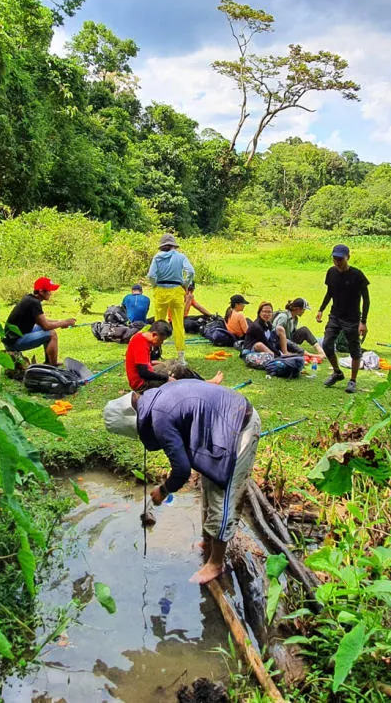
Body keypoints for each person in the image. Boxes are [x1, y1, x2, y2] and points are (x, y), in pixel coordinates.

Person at [102, 379, 261, 584]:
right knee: (209, 485)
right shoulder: (156, 399)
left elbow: (183, 471)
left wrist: (164, 490)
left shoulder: (160, 418)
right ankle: (208, 543)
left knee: (222, 494)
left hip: (238, 426)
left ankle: (216, 564)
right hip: (220, 426)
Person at [316, 244, 370, 393]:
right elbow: (330, 293)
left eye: (340, 259)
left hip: (352, 318)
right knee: (327, 344)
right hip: (335, 315)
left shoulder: (357, 275)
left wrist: (363, 322)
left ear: (348, 258)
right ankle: (337, 372)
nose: (337, 262)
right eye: (335, 258)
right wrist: (321, 309)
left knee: (354, 350)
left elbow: (366, 300)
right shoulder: (331, 272)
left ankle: (352, 380)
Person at [126, 321, 223, 392]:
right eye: (161, 340)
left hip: (146, 373)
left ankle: (204, 382)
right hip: (142, 384)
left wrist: (152, 363)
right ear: (154, 334)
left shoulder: (141, 337)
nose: (162, 343)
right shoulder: (140, 344)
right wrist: (166, 378)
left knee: (173, 362)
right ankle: (206, 384)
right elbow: (143, 373)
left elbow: (139, 363)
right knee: (177, 370)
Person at [4, 276, 77, 366]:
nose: (51, 293)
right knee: (52, 334)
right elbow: (46, 326)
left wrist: (61, 322)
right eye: (49, 291)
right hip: (13, 343)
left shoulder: (30, 299)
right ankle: (52, 365)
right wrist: (65, 322)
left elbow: (42, 322)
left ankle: (48, 362)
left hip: (14, 337)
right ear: (41, 291)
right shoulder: (34, 303)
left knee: (47, 330)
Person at [147, 233, 195, 359]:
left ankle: (155, 352)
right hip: (176, 291)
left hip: (161, 290)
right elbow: (191, 271)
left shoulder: (157, 257)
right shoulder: (180, 257)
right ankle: (181, 357)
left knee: (158, 323)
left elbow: (151, 275)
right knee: (178, 324)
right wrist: (186, 283)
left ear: (162, 246)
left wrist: (155, 285)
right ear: (174, 245)